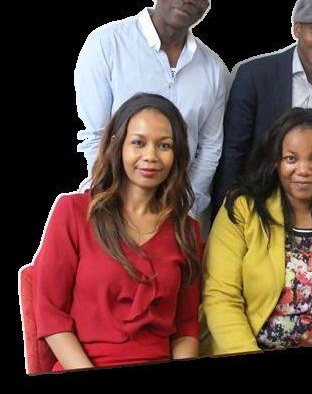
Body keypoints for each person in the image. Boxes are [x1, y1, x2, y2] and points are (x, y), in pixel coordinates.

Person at [32, 93, 202, 371]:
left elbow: (186, 328)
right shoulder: (73, 212)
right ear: (117, 144)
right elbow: (51, 315)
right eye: (138, 142)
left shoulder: (187, 230)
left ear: (177, 154)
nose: (151, 156)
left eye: (164, 145)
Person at [202, 108, 312, 355]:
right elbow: (221, 297)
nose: (304, 170)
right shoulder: (241, 209)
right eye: (291, 158)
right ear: (276, 160)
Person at [75, 0, 228, 223]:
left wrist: (187, 208)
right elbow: (96, 135)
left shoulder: (213, 68)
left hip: (177, 214)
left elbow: (210, 147)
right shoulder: (107, 44)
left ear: (206, 7)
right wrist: (113, 200)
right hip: (111, 208)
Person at [211, 0, 312, 214]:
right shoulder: (255, 75)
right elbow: (234, 149)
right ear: (297, 29)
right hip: (258, 200)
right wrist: (225, 208)